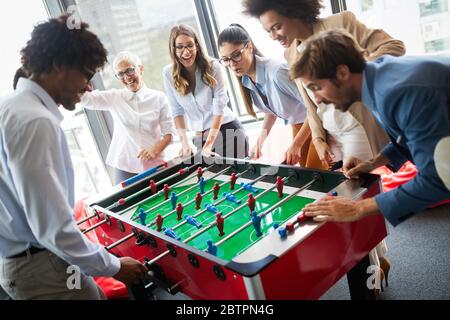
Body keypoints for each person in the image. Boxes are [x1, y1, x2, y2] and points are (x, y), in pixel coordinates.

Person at [0, 15, 147, 300]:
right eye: (87, 74)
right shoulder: (35, 120)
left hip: (26, 264)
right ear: (59, 66)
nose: (89, 87)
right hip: (42, 267)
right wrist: (114, 267)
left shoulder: (10, 107)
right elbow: (54, 229)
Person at [292, 30, 450, 227]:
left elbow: (440, 177)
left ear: (342, 73)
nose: (317, 99)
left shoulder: (400, 93)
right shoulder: (377, 77)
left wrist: (358, 208)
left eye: (317, 87)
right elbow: (407, 136)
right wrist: (374, 162)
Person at [242, 0, 405, 168]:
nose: (273, 36)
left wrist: (354, 74)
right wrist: (318, 138)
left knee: (359, 187)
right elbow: (311, 104)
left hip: (356, 125)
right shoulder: (290, 54)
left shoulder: (341, 23)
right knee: (339, 190)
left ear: (294, 12)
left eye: (277, 27)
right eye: (268, 31)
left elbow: (393, 46)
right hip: (330, 133)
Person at [217, 24, 309, 165]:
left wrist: (296, 144)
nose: (232, 64)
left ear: (249, 47)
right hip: (298, 127)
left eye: (236, 55)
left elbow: (315, 108)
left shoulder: (277, 72)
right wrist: (260, 142)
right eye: (226, 59)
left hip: (317, 125)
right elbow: (270, 111)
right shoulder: (247, 79)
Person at [79, 51, 175, 185]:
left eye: (130, 71)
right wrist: (83, 75)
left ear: (140, 69)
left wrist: (154, 151)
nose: (127, 77)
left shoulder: (159, 98)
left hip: (155, 161)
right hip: (125, 165)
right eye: (121, 74)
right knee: (123, 204)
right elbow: (84, 100)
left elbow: (169, 133)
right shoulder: (115, 97)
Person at [163, 24, 249, 160]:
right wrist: (185, 144)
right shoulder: (168, 73)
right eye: (180, 47)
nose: (186, 52)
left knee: (237, 181)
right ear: (173, 49)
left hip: (228, 133)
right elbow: (177, 111)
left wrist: (208, 145)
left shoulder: (214, 67)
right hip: (199, 139)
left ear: (197, 45)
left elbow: (219, 108)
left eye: (190, 45)